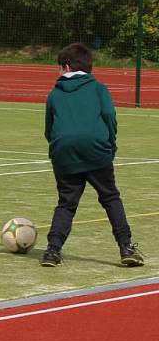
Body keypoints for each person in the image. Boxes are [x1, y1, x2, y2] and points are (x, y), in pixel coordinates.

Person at [40, 43, 143, 267]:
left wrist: (58, 148)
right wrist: (110, 145)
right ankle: (126, 247)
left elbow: (49, 127)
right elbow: (109, 116)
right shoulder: (99, 88)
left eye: (59, 68)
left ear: (66, 67)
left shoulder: (55, 94)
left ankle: (52, 250)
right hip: (96, 150)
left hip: (64, 152)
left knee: (66, 203)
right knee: (110, 197)